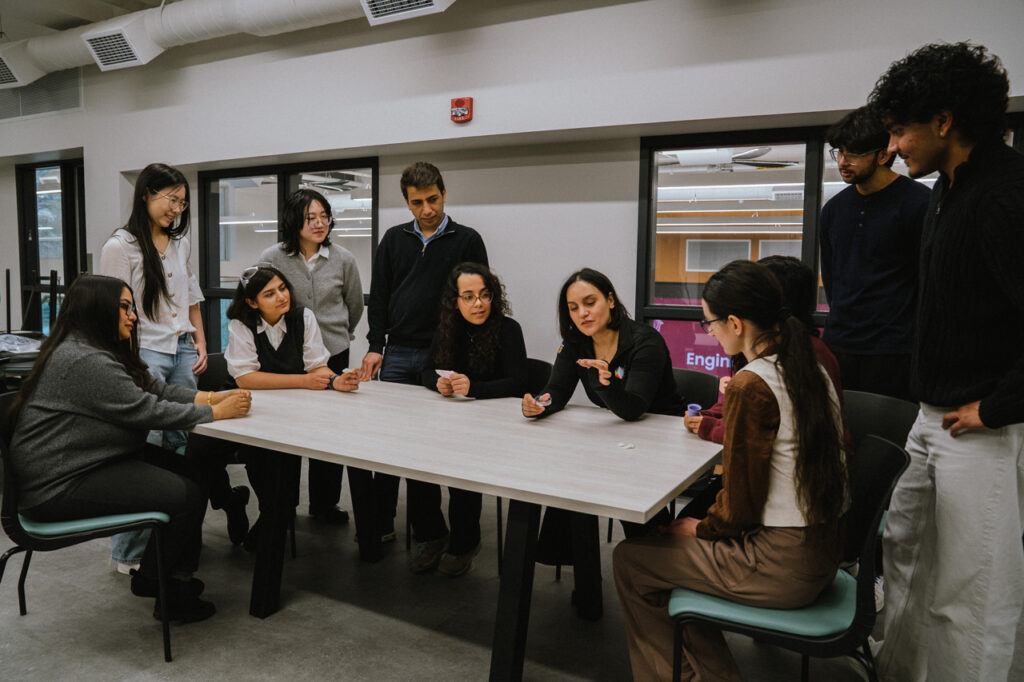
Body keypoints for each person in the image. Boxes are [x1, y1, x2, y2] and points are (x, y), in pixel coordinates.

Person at [868, 42, 1024, 682]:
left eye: (900, 130)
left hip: (980, 425)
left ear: (944, 119)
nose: (893, 146)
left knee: (970, 589)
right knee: (905, 554)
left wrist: (997, 406)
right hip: (931, 415)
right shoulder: (944, 191)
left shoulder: (1005, 195)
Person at [613, 259, 847, 681]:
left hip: (781, 564)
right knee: (675, 561)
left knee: (633, 559)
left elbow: (739, 504)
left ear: (736, 323)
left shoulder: (751, 382)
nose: (710, 332)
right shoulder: (809, 366)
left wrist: (702, 529)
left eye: (710, 324)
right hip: (825, 550)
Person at [6, 275, 252, 623]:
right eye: (124, 307)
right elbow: (147, 410)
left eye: (131, 307)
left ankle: (161, 578)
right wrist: (214, 411)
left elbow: (159, 391)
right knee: (184, 494)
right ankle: (165, 590)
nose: (133, 315)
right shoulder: (84, 360)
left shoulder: (103, 350)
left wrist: (213, 397)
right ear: (96, 309)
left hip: (93, 459)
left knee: (197, 473)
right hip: (58, 484)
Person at [99, 162, 239, 574]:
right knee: (147, 448)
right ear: (145, 193)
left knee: (182, 442)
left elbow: (191, 296)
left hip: (179, 348)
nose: (175, 209)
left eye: (181, 202)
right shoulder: (120, 246)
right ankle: (128, 552)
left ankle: (171, 538)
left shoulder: (179, 243)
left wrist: (201, 339)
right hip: (143, 352)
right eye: (169, 199)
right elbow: (114, 309)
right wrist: (125, 362)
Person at [522, 267, 684, 619]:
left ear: (610, 300)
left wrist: (605, 384)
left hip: (661, 443)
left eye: (590, 302)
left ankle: (655, 581)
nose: (583, 313)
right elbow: (558, 391)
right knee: (573, 484)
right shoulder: (576, 342)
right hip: (616, 441)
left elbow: (633, 409)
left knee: (629, 500)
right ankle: (588, 591)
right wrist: (538, 404)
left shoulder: (645, 341)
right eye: (573, 307)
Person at [355, 162, 487, 557]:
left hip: (446, 354)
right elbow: (378, 297)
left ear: (444, 194)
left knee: (453, 449)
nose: (426, 209)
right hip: (396, 354)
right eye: (417, 202)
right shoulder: (394, 239)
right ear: (407, 203)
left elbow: (478, 297)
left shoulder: (467, 239)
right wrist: (375, 344)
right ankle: (430, 532)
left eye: (432, 199)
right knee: (404, 450)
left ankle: (465, 538)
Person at [217, 265, 359, 548]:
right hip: (249, 410)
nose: (282, 296)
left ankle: (274, 517)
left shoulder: (303, 317)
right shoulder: (240, 324)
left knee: (284, 457)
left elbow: (318, 367)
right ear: (252, 302)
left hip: (292, 410)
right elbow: (247, 378)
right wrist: (305, 381)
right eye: (269, 293)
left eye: (282, 288)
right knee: (251, 453)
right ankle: (269, 512)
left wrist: (336, 381)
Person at [413, 263, 527, 575]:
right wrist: (437, 383)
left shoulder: (508, 329)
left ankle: (465, 543)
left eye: (484, 295)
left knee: (461, 473)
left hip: (495, 426)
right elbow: (425, 371)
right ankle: (432, 535)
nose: (478, 303)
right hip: (451, 420)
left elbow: (520, 381)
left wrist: (475, 388)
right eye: (468, 297)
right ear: (455, 301)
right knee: (414, 463)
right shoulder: (447, 328)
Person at [261, 188, 364, 525]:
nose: (320, 223)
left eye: (324, 216)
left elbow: (354, 305)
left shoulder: (343, 259)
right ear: (295, 222)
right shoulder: (272, 258)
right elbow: (258, 300)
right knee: (287, 431)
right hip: (290, 356)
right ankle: (282, 506)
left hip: (334, 351)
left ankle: (324, 504)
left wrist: (340, 334)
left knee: (330, 432)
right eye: (311, 218)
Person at [819, 106, 930, 401]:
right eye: (839, 153)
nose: (843, 162)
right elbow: (832, 277)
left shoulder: (919, 203)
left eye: (853, 154)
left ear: (883, 155)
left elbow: (928, 279)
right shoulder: (833, 210)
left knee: (887, 438)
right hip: (839, 344)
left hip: (895, 350)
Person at [685, 255, 842, 445]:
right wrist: (706, 416)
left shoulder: (800, 355)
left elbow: (748, 437)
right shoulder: (772, 349)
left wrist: (708, 426)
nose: (711, 332)